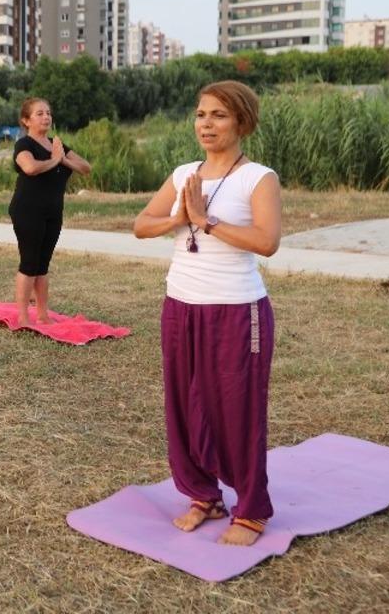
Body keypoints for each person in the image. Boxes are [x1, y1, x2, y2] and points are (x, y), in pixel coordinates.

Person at [133, 80, 281, 547]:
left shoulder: (258, 177)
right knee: (184, 406)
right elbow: (141, 225)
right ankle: (204, 495)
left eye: (218, 115)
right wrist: (178, 219)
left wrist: (206, 221)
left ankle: (251, 510)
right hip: (180, 304)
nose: (206, 124)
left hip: (237, 310)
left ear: (241, 122)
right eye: (200, 114)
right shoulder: (184, 175)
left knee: (236, 410)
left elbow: (267, 242)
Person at [8, 98, 91, 326]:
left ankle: (43, 314)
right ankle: (24, 316)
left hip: (53, 212)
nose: (46, 117)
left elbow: (86, 168)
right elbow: (30, 167)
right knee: (29, 262)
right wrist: (54, 161)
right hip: (27, 211)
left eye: (48, 113)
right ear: (26, 120)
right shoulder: (24, 145)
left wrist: (63, 159)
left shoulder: (57, 145)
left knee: (43, 264)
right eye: (39, 113)